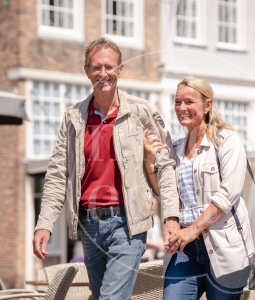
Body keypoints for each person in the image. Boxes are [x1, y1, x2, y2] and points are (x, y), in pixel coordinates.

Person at [32, 37, 180, 300]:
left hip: (128, 225)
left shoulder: (141, 112)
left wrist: (171, 216)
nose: (104, 74)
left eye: (109, 67)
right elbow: (56, 174)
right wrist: (44, 224)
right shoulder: (73, 117)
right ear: (87, 71)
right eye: (97, 67)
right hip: (89, 226)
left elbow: (166, 166)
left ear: (120, 70)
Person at [144, 77, 255, 300]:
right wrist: (149, 160)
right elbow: (165, 193)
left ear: (207, 105)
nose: (182, 108)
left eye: (189, 102)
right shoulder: (174, 148)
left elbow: (228, 196)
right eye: (177, 102)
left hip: (223, 245)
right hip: (185, 250)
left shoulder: (227, 141)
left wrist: (192, 230)